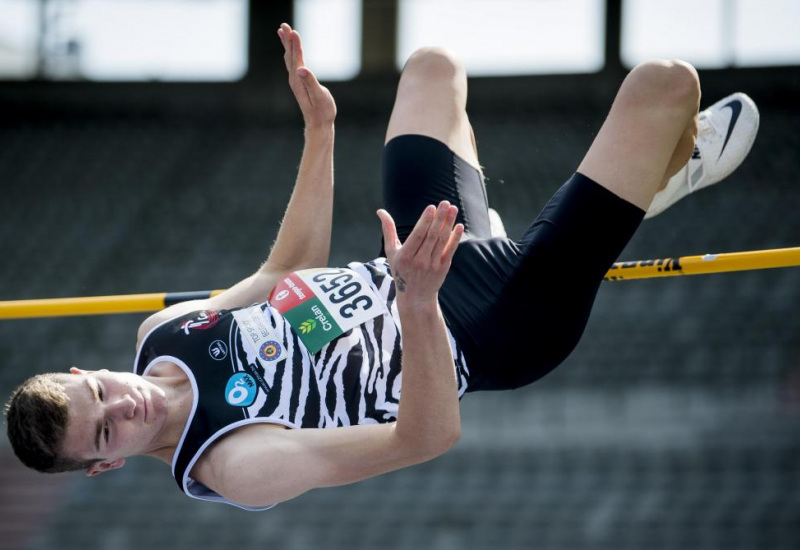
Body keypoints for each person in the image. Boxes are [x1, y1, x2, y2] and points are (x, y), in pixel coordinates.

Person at [5, 23, 759, 511]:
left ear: (84, 368)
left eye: (99, 392)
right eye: (105, 434)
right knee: (667, 84)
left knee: (433, 67)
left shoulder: (163, 333)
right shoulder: (233, 462)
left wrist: (321, 131)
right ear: (105, 468)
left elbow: (283, 274)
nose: (122, 406)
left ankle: (625, 201)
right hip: (489, 325)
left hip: (417, 257)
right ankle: (662, 176)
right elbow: (423, 438)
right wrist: (421, 304)